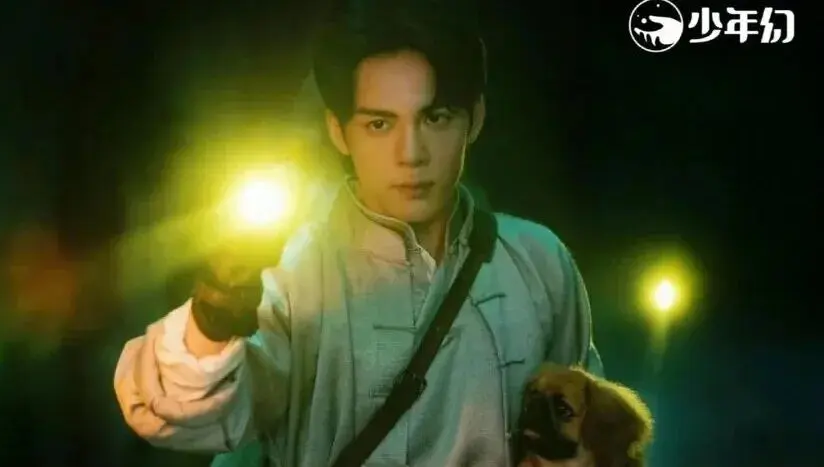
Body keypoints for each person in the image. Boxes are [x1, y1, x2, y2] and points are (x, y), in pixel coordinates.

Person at [114, 1, 603, 465]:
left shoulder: (537, 261)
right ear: (338, 131)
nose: (411, 153)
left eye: (435, 117)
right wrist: (211, 325)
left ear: (474, 119)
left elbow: (590, 430)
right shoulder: (292, 268)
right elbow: (178, 415)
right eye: (379, 124)